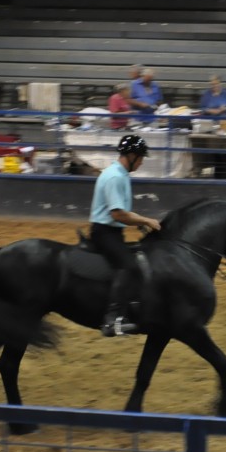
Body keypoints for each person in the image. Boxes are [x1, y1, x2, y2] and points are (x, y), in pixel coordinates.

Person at [90, 134, 162, 337]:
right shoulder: (115, 177)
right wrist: (146, 221)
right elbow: (118, 214)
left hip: (111, 231)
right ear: (131, 156)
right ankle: (112, 320)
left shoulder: (119, 174)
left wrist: (139, 223)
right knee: (128, 265)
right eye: (140, 158)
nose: (141, 163)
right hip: (104, 233)